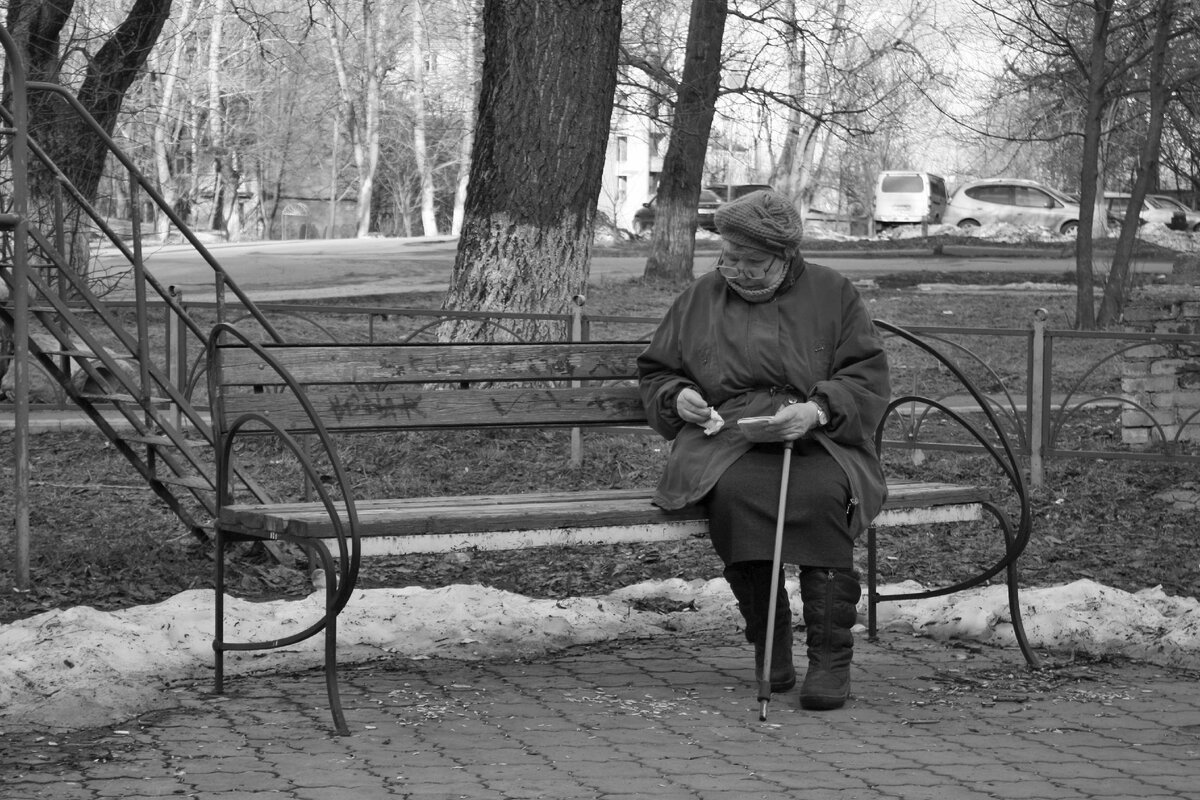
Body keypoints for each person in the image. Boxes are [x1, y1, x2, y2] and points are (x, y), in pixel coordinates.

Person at [637, 189, 890, 710]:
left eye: (752, 262)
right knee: (734, 497)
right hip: (726, 439)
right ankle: (770, 647)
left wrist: (818, 409)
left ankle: (828, 659)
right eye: (728, 258)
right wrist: (677, 396)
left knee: (823, 497)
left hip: (819, 436)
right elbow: (659, 370)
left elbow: (864, 374)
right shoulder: (699, 297)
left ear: (784, 258)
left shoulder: (833, 292)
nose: (736, 271)